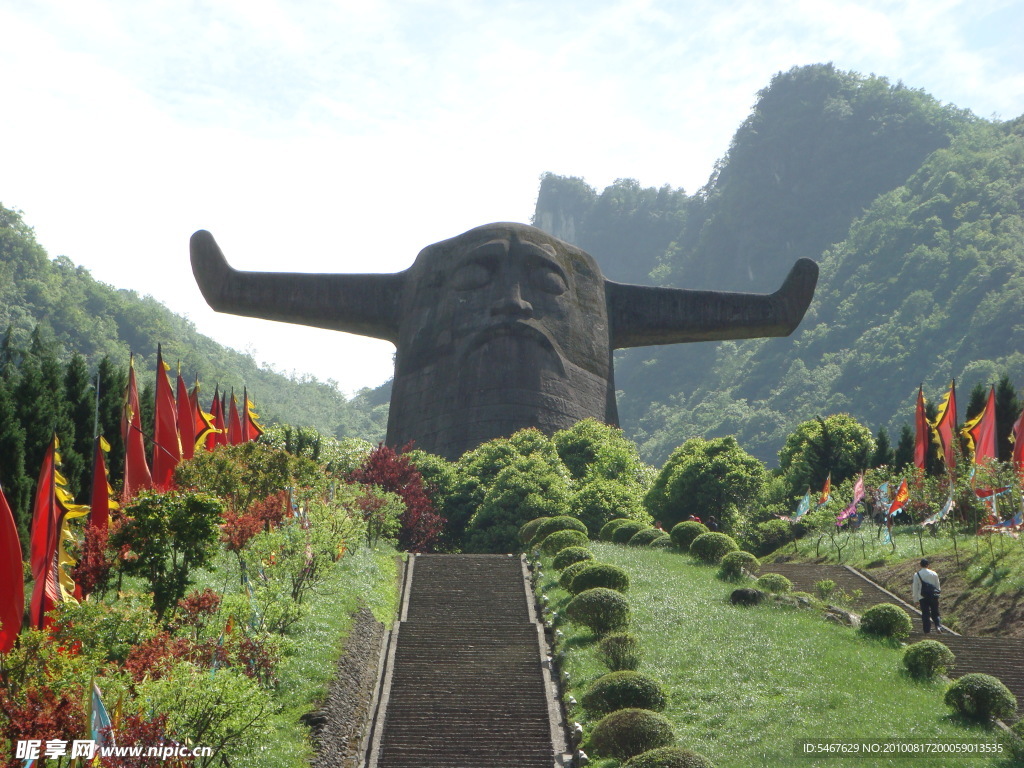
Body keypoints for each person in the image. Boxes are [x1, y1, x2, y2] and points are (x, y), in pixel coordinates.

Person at [911, 558, 943, 633]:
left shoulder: (917, 574)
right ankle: (938, 626)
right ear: (928, 565)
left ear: (920, 565)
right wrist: (938, 595)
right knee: (935, 613)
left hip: (923, 597)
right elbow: (937, 586)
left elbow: (915, 587)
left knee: (925, 614)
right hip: (933, 596)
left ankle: (927, 631)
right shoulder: (934, 573)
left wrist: (915, 599)